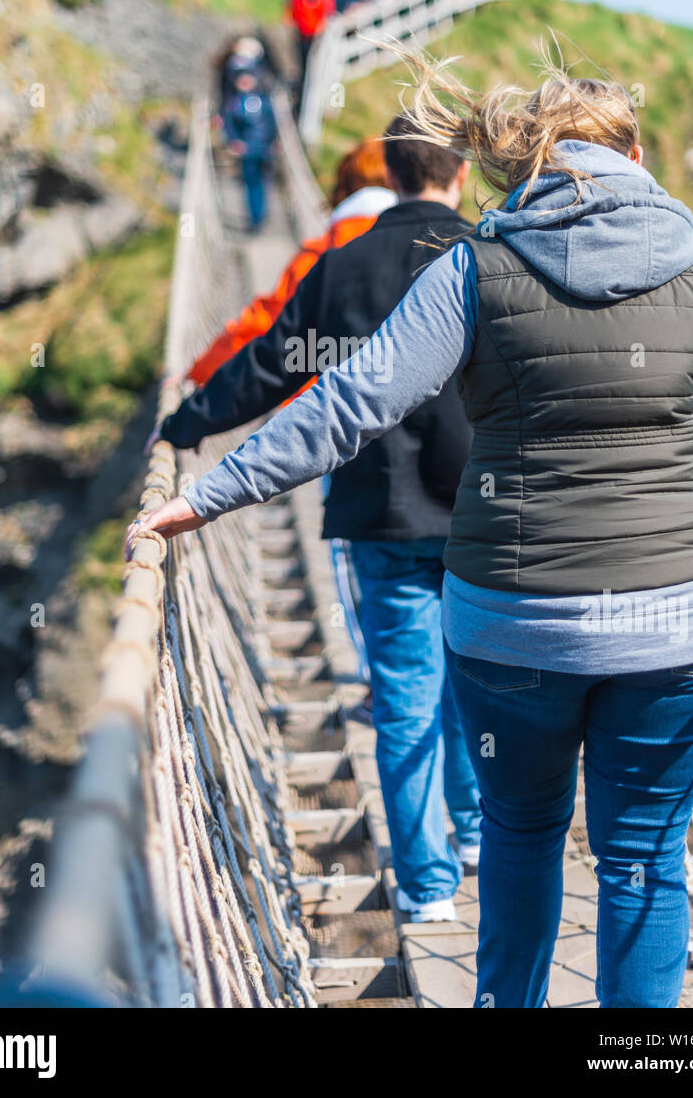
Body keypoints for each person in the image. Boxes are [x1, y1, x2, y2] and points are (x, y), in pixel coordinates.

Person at [130, 56, 693, 1006]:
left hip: (516, 621)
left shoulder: (475, 269)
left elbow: (351, 402)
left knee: (520, 837)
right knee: (640, 856)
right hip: (680, 620)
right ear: (637, 155)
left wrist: (210, 493)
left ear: (529, 165)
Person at [152, 118, 481, 924]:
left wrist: (186, 423)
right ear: (461, 176)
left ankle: (429, 888)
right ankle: (474, 833)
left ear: (392, 175)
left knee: (404, 701)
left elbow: (272, 364)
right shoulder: (495, 259)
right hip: (487, 512)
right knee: (477, 690)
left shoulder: (342, 266)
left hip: (382, 513)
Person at [178, 137, 396, 389]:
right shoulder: (432, 247)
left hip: (321, 408)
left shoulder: (325, 252)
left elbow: (267, 326)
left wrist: (200, 371)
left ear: (346, 184)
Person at [220, 70, 277, 232]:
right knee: (252, 183)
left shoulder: (264, 101)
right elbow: (229, 125)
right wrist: (235, 142)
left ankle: (263, 214)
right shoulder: (234, 103)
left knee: (265, 182)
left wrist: (273, 142)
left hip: (264, 148)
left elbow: (272, 123)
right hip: (247, 150)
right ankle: (255, 218)